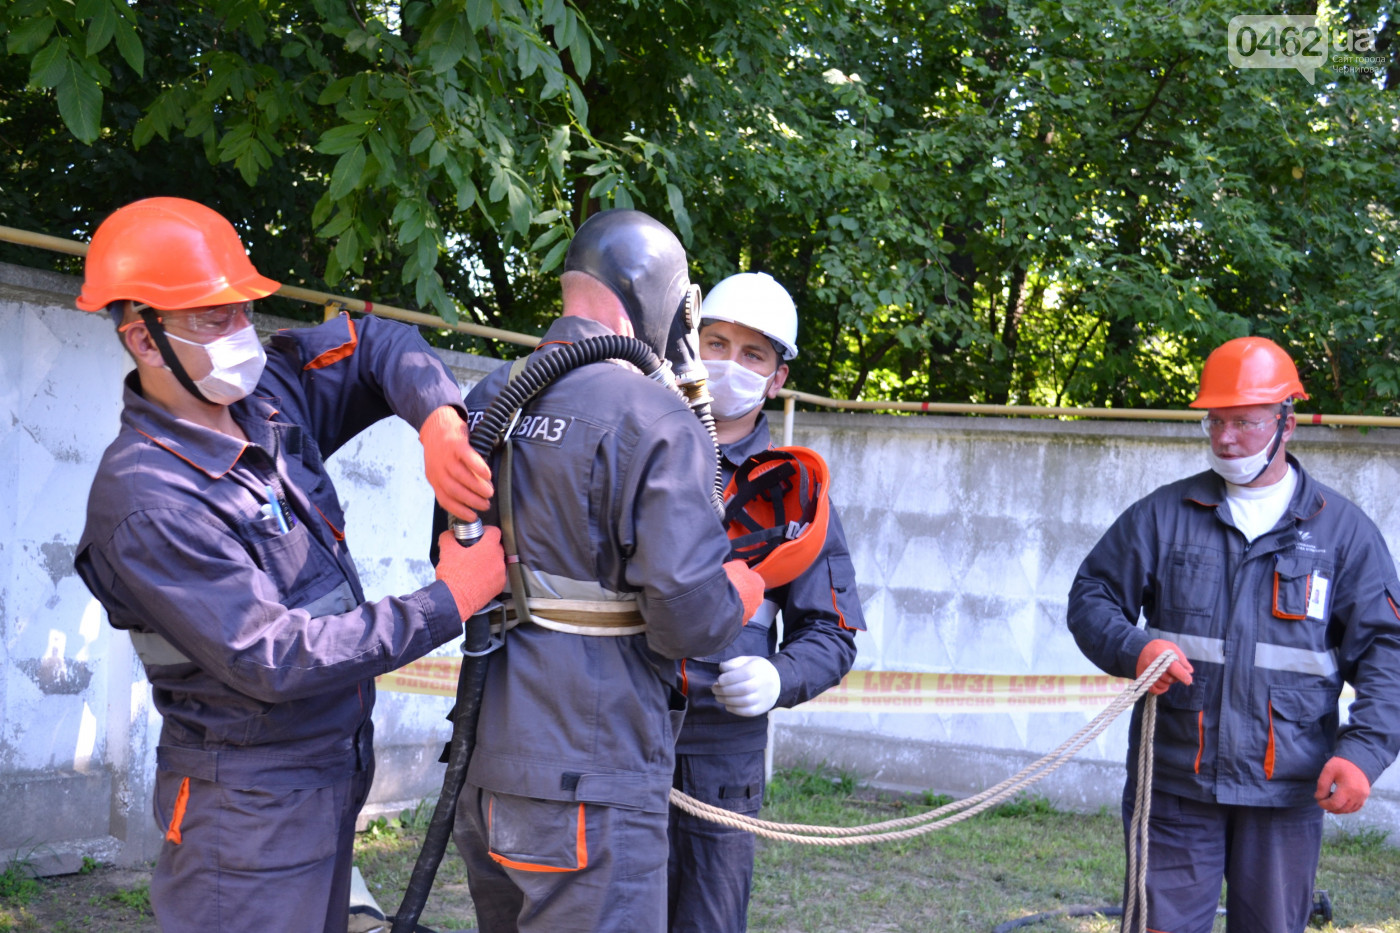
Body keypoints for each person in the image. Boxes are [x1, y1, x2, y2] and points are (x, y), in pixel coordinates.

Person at [71, 197, 508, 933]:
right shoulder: (148, 498)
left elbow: (375, 342)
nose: (242, 332)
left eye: (243, 309)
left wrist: (437, 418)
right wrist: (449, 598)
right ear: (144, 340)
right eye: (213, 318)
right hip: (247, 819)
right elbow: (274, 655)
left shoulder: (265, 399)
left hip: (323, 778)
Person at [448, 210, 766, 933]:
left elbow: (457, 562)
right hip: (588, 775)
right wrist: (736, 597)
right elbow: (686, 617)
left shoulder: (487, 399)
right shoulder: (654, 416)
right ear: (664, 301)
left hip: (485, 767)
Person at [1067, 336, 1400, 933]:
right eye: (1215, 422)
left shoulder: (1342, 533)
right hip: (1173, 786)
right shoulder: (1164, 515)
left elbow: (1388, 654)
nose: (1225, 439)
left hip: (1286, 794)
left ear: (1286, 425)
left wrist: (1363, 754)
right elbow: (1091, 598)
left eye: (1243, 423)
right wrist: (1134, 646)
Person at [667, 272, 864, 933]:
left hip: (722, 748)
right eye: (715, 343)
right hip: (618, 727)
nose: (728, 365)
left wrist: (781, 676)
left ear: (778, 377)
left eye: (753, 355)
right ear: (691, 347)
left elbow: (832, 632)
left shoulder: (796, 493)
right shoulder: (642, 455)